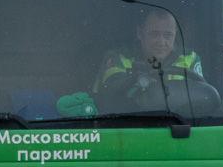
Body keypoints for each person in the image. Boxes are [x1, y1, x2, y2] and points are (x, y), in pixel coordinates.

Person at [59, 7, 205, 117]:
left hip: (177, 128)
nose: (162, 42)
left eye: (168, 35)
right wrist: (146, 93)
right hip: (125, 126)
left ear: (175, 35)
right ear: (139, 33)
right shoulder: (118, 57)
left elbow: (201, 97)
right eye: (154, 34)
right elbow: (113, 85)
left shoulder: (190, 58)